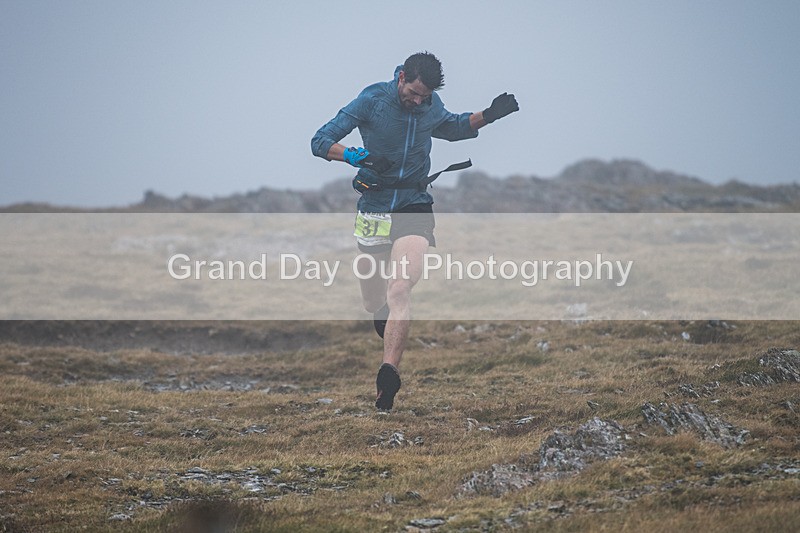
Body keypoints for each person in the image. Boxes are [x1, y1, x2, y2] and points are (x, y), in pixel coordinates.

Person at [311, 51, 518, 411]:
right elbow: (319, 141)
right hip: (374, 206)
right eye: (414, 94)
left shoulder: (429, 104)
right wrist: (354, 156)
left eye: (425, 97)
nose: (419, 102)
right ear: (402, 77)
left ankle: (388, 374)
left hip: (414, 203)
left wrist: (489, 115)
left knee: (401, 286)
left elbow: (452, 127)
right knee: (373, 300)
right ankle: (379, 313)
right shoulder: (372, 100)